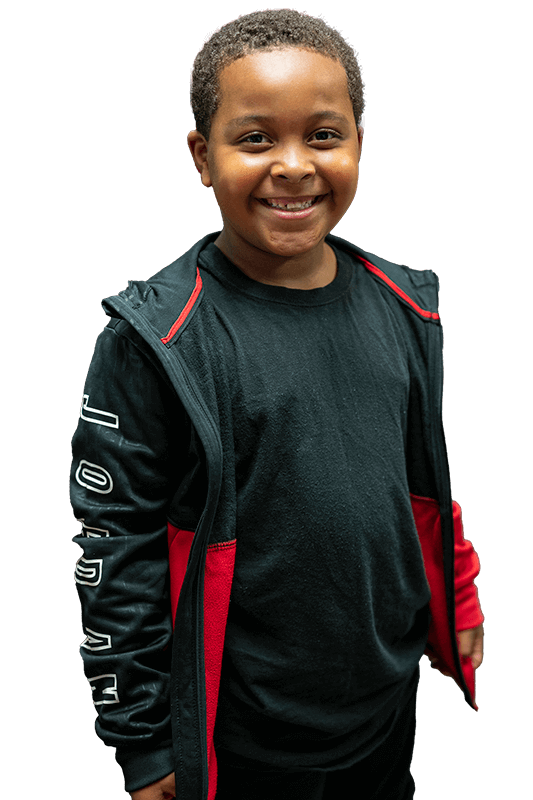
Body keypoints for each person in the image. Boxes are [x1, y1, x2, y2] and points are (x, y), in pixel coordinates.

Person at [70, 9, 484, 800]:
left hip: (384, 708)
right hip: (242, 736)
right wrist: (142, 741)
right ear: (202, 157)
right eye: (255, 139)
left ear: (358, 142)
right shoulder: (155, 338)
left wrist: (456, 594)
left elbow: (421, 486)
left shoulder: (405, 305)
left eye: (322, 136)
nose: (292, 166)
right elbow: (113, 550)